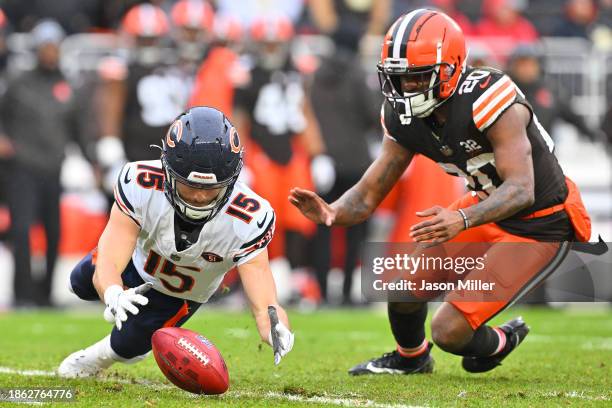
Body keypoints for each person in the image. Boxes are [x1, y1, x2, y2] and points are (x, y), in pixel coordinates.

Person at [289, 9, 591, 375]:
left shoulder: (488, 96)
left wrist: (461, 218)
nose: (405, 88)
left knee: (449, 331)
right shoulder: (404, 116)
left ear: (450, 68)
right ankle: (411, 359)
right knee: (403, 292)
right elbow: (369, 193)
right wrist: (333, 211)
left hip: (540, 223)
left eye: (416, 78)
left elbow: (522, 190)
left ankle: (500, 340)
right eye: (397, 78)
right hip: (485, 206)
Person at [58, 107, 293, 378]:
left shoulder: (249, 217)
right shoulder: (140, 182)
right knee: (80, 282)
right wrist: (112, 291)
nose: (199, 196)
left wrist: (276, 327)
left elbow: (266, 305)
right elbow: (111, 257)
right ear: (168, 170)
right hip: (135, 260)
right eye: (189, 185)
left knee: (126, 347)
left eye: (210, 188)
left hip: (180, 293)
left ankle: (95, 358)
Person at [0, 19, 80, 308]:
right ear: (36, 49)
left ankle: (45, 294)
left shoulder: (67, 85)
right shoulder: (18, 81)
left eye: (54, 47)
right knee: (21, 230)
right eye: (45, 47)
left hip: (53, 168)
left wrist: (94, 160)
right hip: (22, 167)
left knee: (53, 232)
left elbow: (79, 128)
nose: (50, 52)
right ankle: (22, 294)